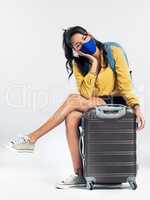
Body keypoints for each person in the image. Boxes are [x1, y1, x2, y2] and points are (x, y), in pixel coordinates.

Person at [6, 26, 145, 189]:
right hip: (94, 103)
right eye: (77, 45)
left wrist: (136, 107)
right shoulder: (78, 63)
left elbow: (125, 84)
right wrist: (93, 63)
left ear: (90, 35)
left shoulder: (113, 51)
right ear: (75, 50)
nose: (83, 44)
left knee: (72, 99)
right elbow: (85, 94)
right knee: (71, 117)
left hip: (117, 102)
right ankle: (79, 174)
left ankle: (32, 138)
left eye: (84, 39)